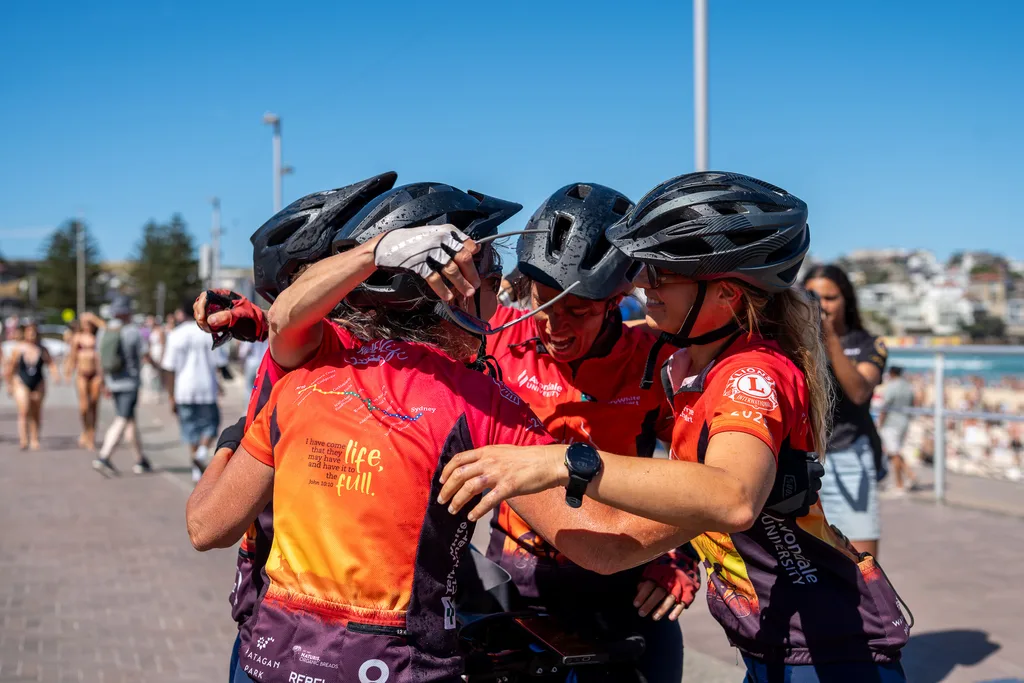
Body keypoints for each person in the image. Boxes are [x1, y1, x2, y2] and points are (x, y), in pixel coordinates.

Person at [438, 172, 911, 682]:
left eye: (659, 276)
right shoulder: (686, 366)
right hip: (768, 638)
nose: (643, 285)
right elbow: (631, 533)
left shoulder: (737, 372)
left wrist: (562, 461)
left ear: (728, 295)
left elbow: (728, 496)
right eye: (543, 303)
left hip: (814, 639)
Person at [186, 180, 563, 683]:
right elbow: (208, 525)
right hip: (343, 640)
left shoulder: (313, 354)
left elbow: (286, 321)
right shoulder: (317, 355)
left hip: (273, 642)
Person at [485, 183, 698, 682]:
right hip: (519, 578)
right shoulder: (495, 344)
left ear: (615, 300)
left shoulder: (654, 362)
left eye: (577, 311)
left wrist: (682, 555)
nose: (556, 326)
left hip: (622, 581)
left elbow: (702, 475)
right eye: (544, 304)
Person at [803, 264, 888, 558]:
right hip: (806, 458)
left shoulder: (868, 344)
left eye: (831, 298)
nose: (823, 306)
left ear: (846, 300)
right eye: (815, 298)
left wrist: (829, 337)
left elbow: (859, 390)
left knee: (862, 562)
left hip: (850, 455)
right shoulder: (796, 342)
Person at [161, 304, 228, 481]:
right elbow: (220, 363)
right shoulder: (211, 333)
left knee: (190, 429)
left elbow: (169, 368)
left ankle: (196, 469)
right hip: (206, 387)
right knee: (211, 425)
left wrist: (170, 395)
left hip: (183, 389)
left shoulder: (176, 334)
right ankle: (202, 454)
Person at [93, 295, 152, 475]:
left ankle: (140, 459)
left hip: (113, 382)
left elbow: (99, 359)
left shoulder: (104, 331)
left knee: (130, 421)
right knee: (121, 419)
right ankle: (104, 456)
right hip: (129, 383)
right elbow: (145, 354)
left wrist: (103, 382)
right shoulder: (133, 332)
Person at [3, 321, 60, 450]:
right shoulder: (18, 348)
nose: (32, 334)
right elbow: (11, 367)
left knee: (36, 411)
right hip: (21, 381)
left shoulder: (42, 349)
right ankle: (24, 439)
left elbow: (50, 363)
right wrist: (9, 384)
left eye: (34, 331)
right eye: (29, 331)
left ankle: (34, 438)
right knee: (24, 410)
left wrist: (55, 374)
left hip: (38, 382)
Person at [878, 366, 919, 495]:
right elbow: (913, 403)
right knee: (895, 452)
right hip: (904, 422)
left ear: (891, 373)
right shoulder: (908, 386)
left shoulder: (891, 386)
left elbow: (885, 406)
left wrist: (880, 422)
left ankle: (899, 484)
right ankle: (911, 475)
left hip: (892, 423)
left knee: (893, 453)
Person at [66, 312, 105, 450]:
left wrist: (93, 317)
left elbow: (106, 329)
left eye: (89, 324)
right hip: (82, 374)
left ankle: (92, 435)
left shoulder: (98, 337)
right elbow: (72, 356)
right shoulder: (78, 338)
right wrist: (68, 371)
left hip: (96, 374)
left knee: (94, 404)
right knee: (84, 406)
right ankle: (85, 429)